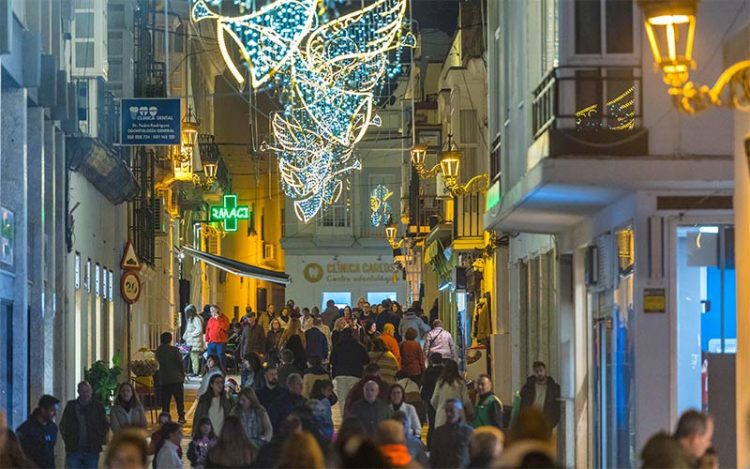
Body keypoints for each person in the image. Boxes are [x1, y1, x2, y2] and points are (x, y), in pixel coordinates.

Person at [60, 380, 109, 469]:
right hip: (74, 449)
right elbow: (63, 425)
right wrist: (68, 440)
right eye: (82, 391)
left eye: (87, 391)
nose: (85, 394)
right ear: (78, 392)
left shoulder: (98, 406)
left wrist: (99, 438)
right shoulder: (71, 406)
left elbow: (105, 424)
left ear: (91, 391)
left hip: (92, 449)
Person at [330, 327, 370, 413]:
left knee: (343, 399)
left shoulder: (338, 347)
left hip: (341, 375)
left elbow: (332, 361)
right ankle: (353, 418)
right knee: (354, 398)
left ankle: (344, 418)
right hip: (356, 375)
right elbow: (366, 361)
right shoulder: (359, 347)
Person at [16, 394, 60, 468]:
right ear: (43, 410)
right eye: (52, 410)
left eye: (55, 411)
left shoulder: (53, 428)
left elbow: (51, 451)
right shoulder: (26, 429)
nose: (55, 414)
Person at [429, 399, 474, 469]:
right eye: (446, 411)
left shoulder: (469, 432)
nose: (448, 414)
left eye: (451, 411)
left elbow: (475, 456)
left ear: (459, 411)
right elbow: (434, 458)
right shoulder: (438, 433)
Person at [431, 359, 474, 429]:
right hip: (458, 417)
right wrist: (471, 412)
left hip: (441, 419)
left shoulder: (440, 382)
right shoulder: (460, 383)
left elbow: (433, 400)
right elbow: (466, 401)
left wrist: (440, 408)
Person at [155, 331, 186, 423]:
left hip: (164, 379)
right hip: (176, 379)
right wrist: (182, 375)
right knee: (179, 400)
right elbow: (180, 363)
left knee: (165, 401)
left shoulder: (159, 351)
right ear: (170, 339)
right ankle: (181, 417)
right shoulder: (174, 350)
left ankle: (165, 418)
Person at [520, 361, 561, 428]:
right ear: (533, 372)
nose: (539, 373)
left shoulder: (553, 388)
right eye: (536, 371)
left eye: (541, 370)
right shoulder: (528, 387)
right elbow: (522, 403)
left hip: (545, 421)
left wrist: (551, 423)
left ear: (545, 370)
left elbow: (556, 407)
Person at [421, 353, 444, 445]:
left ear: (431, 361)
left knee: (432, 422)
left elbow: (424, 384)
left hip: (430, 400)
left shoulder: (428, 372)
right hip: (442, 400)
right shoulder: (444, 372)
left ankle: (430, 443)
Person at [205, 305, 230, 371]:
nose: (212, 313)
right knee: (210, 357)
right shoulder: (211, 319)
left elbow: (226, 328)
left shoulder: (224, 318)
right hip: (211, 342)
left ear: (218, 311)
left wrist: (218, 319)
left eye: (213, 311)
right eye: (211, 311)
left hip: (221, 342)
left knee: (220, 357)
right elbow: (208, 330)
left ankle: (222, 371)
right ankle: (210, 371)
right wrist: (207, 340)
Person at [183, 304, 205, 376]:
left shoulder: (196, 319)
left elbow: (199, 329)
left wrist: (191, 335)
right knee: (193, 358)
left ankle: (195, 372)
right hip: (191, 342)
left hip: (195, 342)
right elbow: (188, 330)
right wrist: (185, 336)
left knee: (194, 358)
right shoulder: (191, 319)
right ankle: (194, 370)